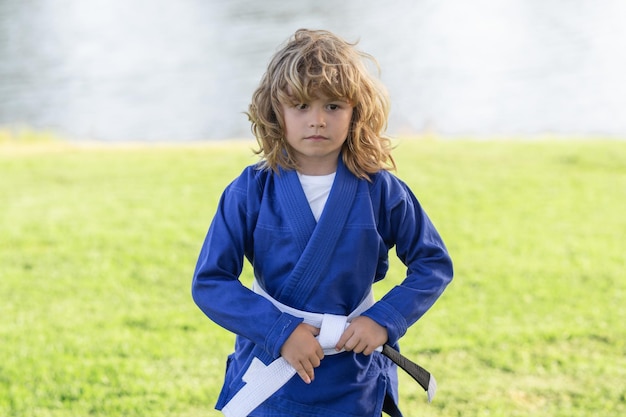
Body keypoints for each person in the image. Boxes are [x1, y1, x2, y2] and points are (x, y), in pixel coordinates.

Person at [192, 28, 453, 417]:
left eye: (333, 106)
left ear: (356, 112)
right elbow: (211, 281)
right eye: (300, 106)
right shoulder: (249, 191)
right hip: (271, 367)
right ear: (275, 111)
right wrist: (280, 331)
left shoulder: (381, 190)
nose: (317, 120)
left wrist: (382, 320)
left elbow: (432, 264)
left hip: (352, 373)